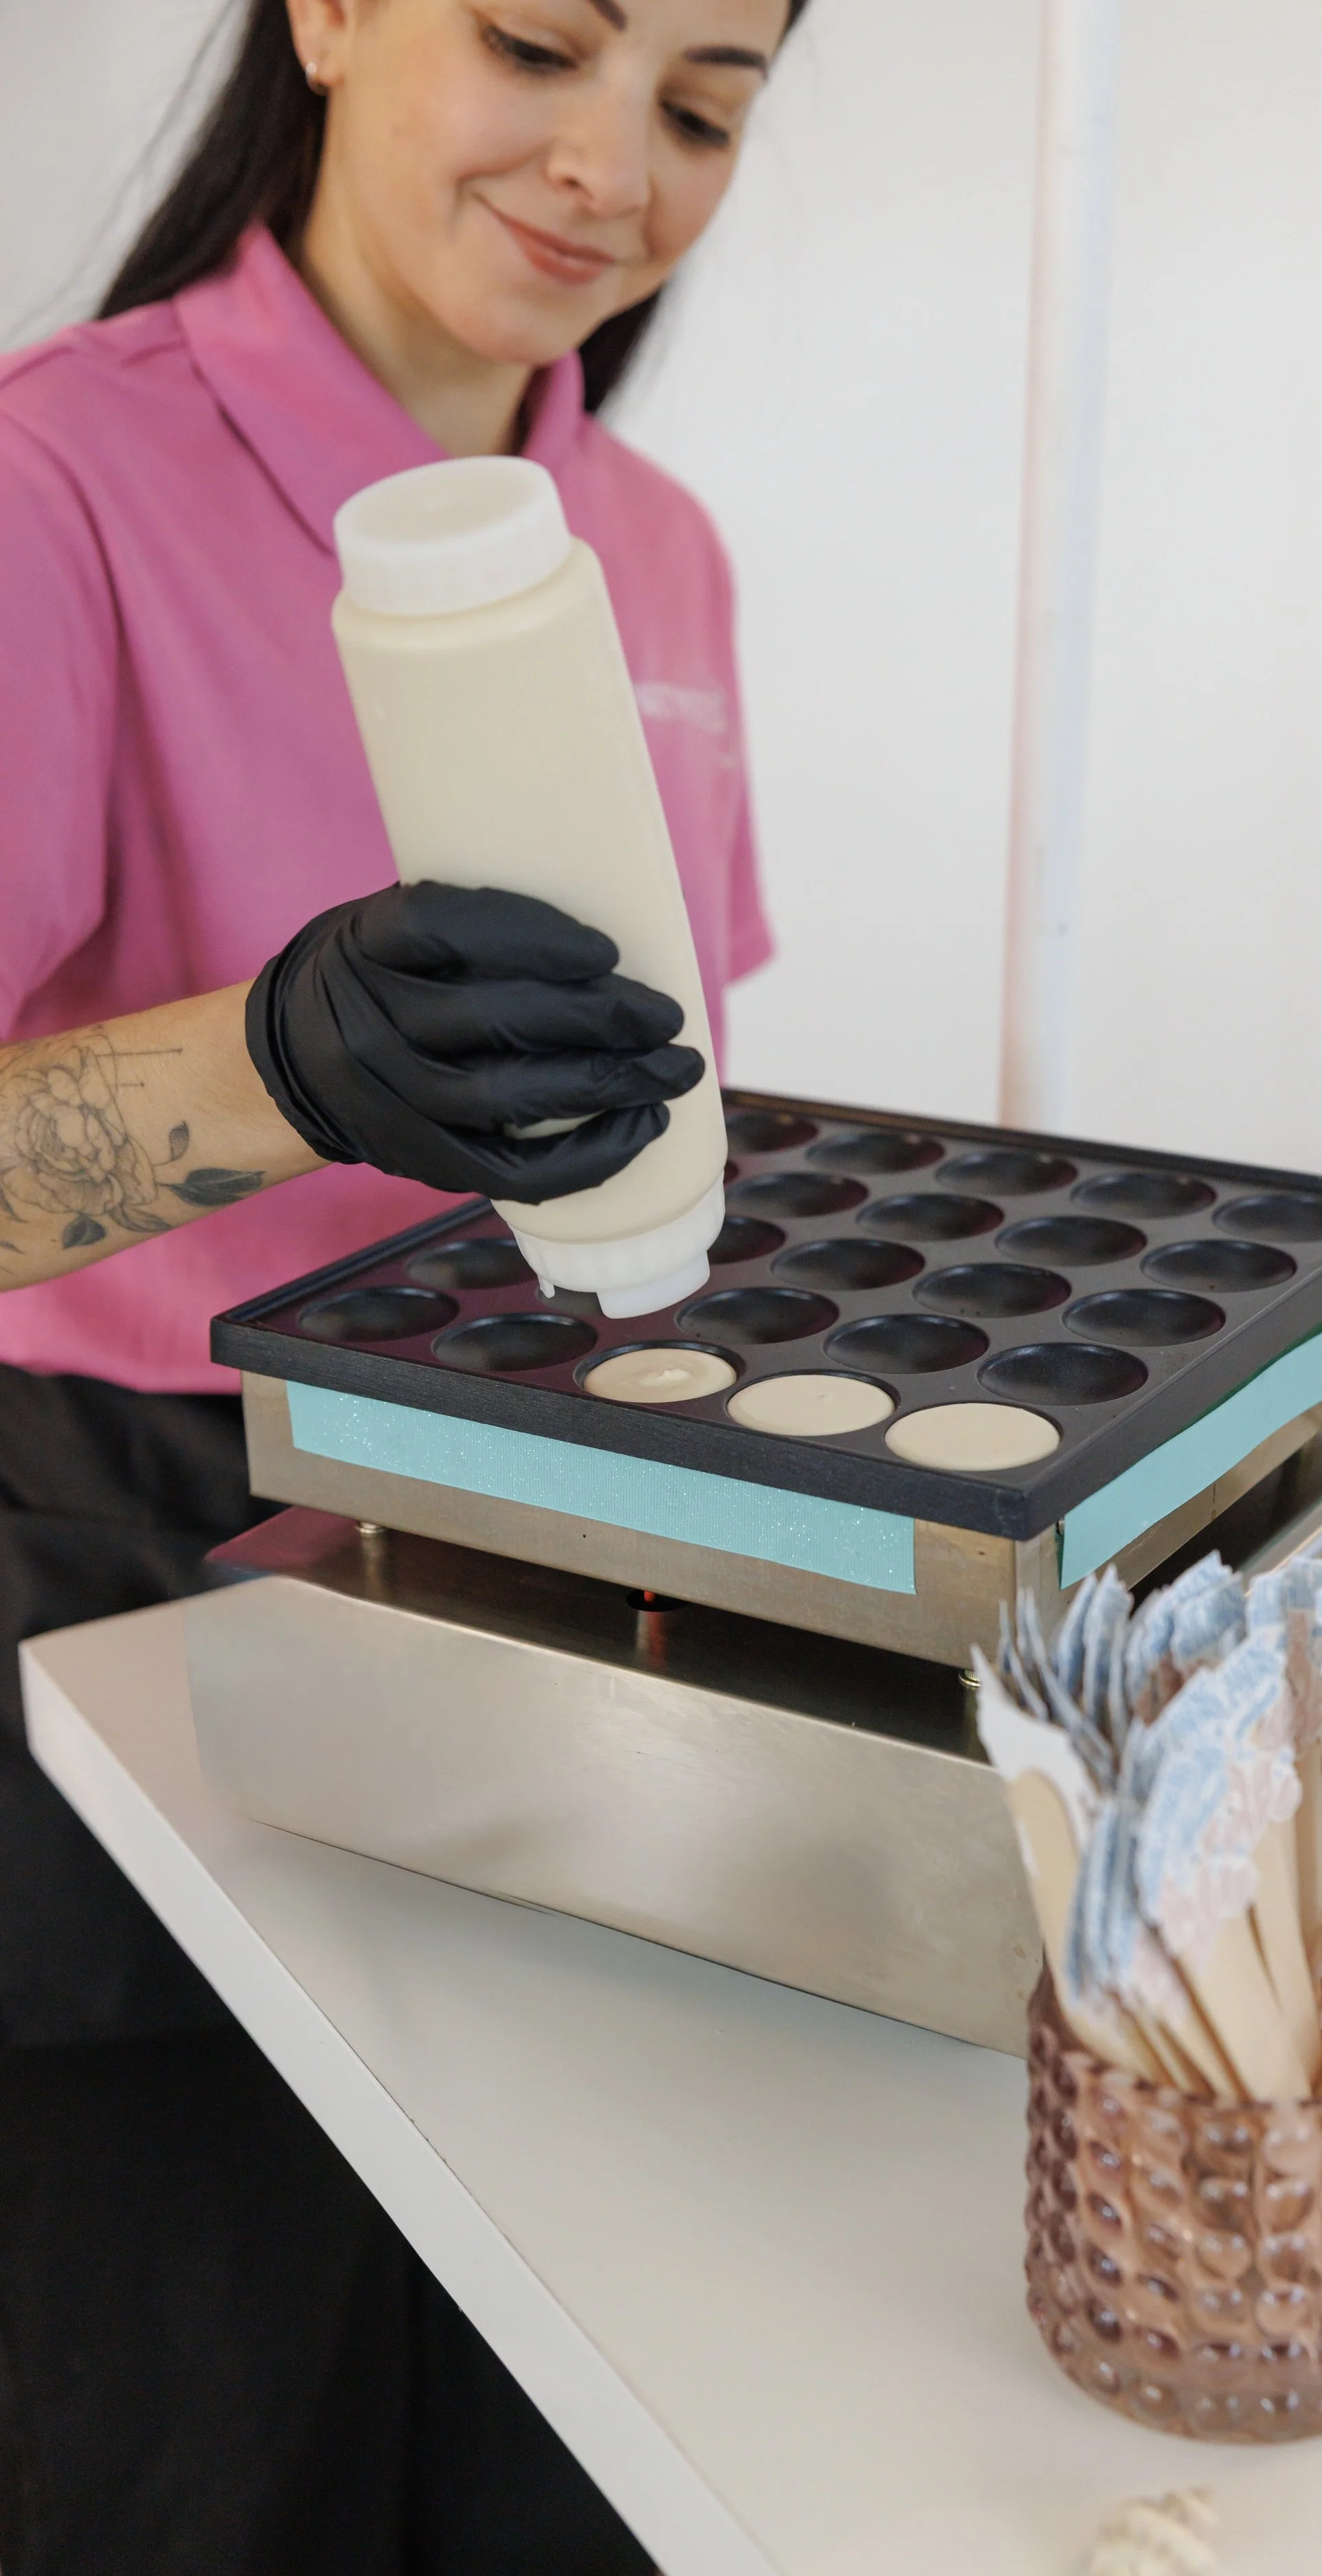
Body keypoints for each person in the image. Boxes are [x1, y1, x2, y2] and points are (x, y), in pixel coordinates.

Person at [0, 0, 803, 2564]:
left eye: (703, 102)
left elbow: (687, 1124)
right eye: (541, 40)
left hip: (552, 1583)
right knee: (196, 2456)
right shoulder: (56, 484)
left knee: (556, 2446)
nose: (609, 164)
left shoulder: (654, 553)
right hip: (134, 1572)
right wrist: (275, 1062)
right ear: (329, 13)